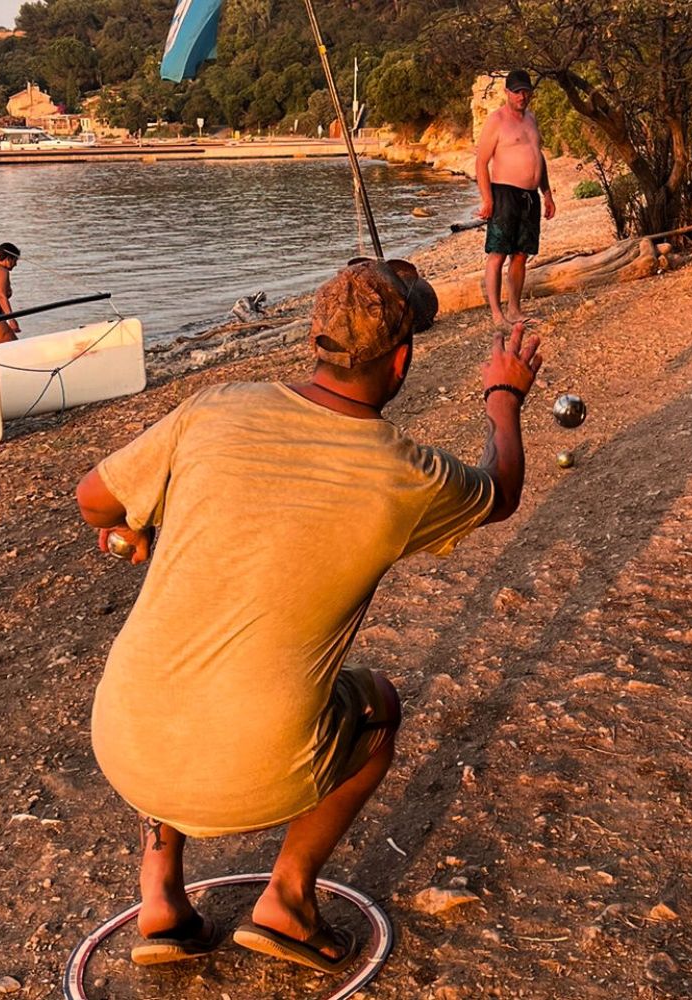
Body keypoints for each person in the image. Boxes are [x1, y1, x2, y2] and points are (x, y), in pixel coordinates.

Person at [75, 259, 542, 973]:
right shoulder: (408, 474)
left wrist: (130, 524)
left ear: (314, 341)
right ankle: (287, 900)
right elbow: (501, 492)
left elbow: (93, 501)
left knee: (181, 656)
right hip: (253, 765)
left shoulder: (214, 408)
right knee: (378, 704)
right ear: (401, 360)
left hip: (124, 738)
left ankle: (160, 897)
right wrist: (503, 398)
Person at [476, 69, 557, 328]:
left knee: (521, 254)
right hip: (504, 194)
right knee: (498, 253)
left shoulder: (531, 118)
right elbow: (481, 162)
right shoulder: (496, 120)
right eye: (517, 92)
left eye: (526, 91)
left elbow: (538, 157)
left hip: (529, 196)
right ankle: (497, 314)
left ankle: (515, 310)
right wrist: (487, 199)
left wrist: (547, 193)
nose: (522, 96)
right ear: (507, 92)